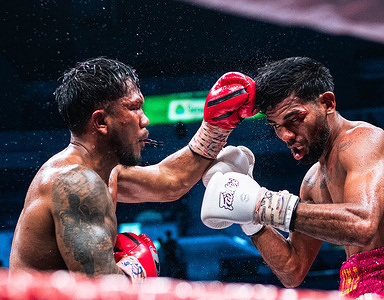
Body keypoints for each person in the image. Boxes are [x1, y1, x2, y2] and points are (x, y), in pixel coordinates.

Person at [200, 57, 384, 299]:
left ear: (327, 103)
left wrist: (262, 204)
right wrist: (250, 216)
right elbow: (292, 270)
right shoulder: (312, 181)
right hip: (353, 290)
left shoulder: (364, 140)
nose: (286, 135)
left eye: (294, 119)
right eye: (276, 126)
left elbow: (361, 225)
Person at [9, 57, 257, 283]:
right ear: (101, 122)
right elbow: (102, 292)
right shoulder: (75, 181)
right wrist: (135, 268)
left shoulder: (103, 172)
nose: (145, 119)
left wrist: (216, 126)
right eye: (134, 107)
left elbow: (170, 181)